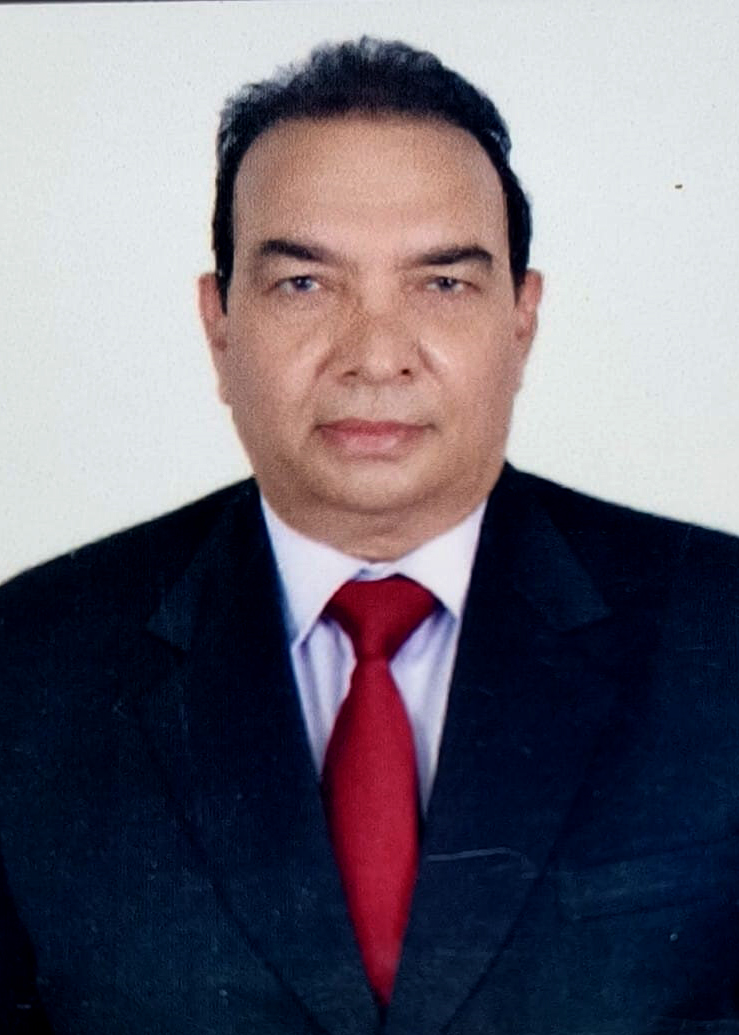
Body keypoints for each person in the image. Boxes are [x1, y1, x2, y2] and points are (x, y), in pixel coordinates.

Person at [1, 36, 738, 1035]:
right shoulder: (28, 665)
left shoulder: (718, 633)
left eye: (442, 284)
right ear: (219, 326)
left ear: (521, 322)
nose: (376, 355)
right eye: (305, 284)